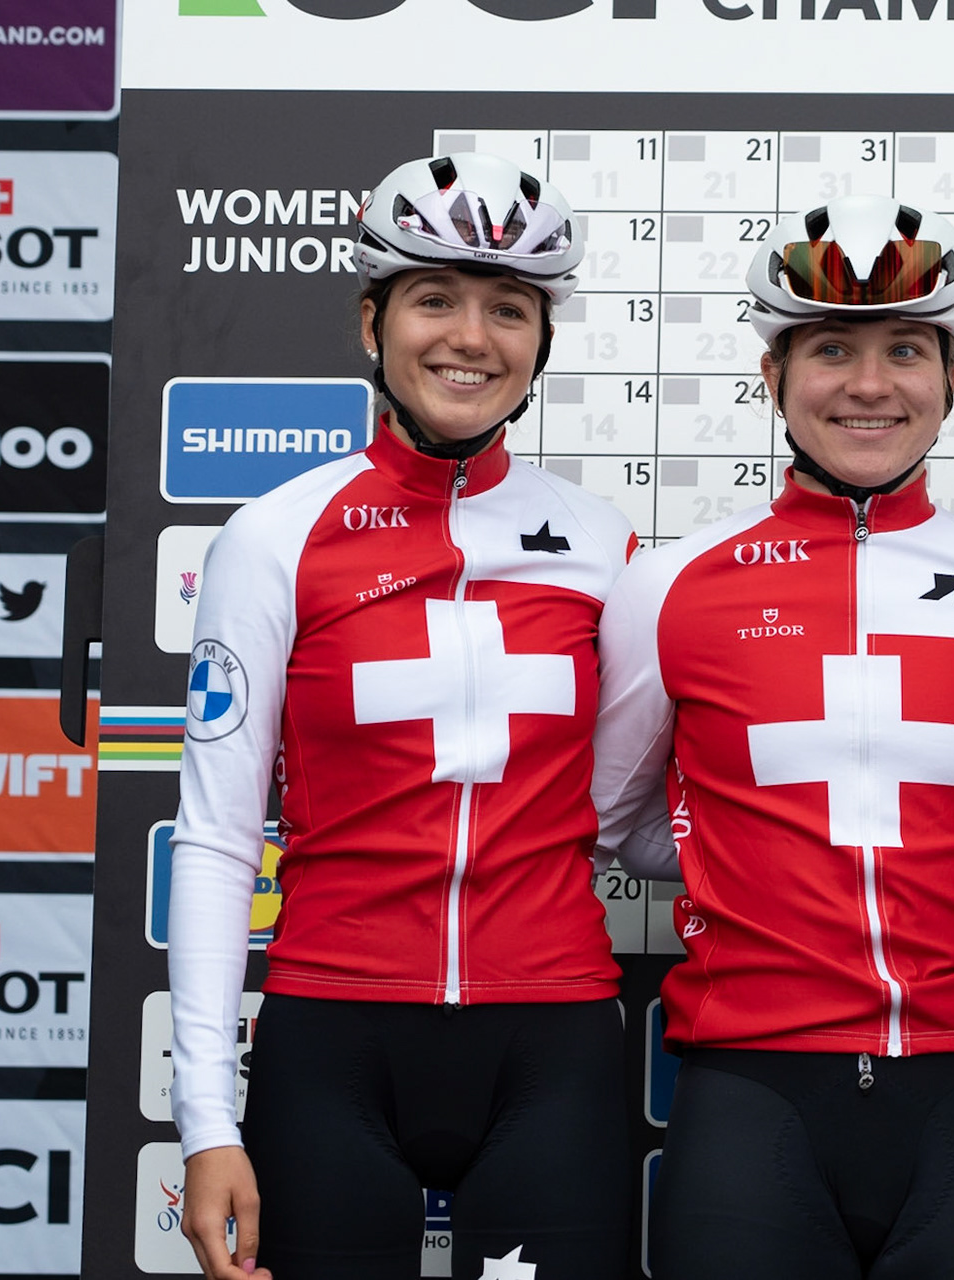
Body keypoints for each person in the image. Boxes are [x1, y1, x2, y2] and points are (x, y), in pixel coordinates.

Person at [590, 195, 954, 1280]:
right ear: (772, 376)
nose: (870, 385)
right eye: (831, 350)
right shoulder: (668, 587)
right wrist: (754, 854)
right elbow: (611, 821)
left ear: (952, 379)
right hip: (750, 1098)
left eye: (906, 351)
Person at [167, 152, 635, 1280]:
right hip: (334, 1034)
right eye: (434, 299)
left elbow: (631, 812)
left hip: (553, 1035)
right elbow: (219, 837)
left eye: (508, 308)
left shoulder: (606, 547)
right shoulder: (274, 536)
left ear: (542, 341)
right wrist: (206, 1122)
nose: (471, 336)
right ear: (373, 323)